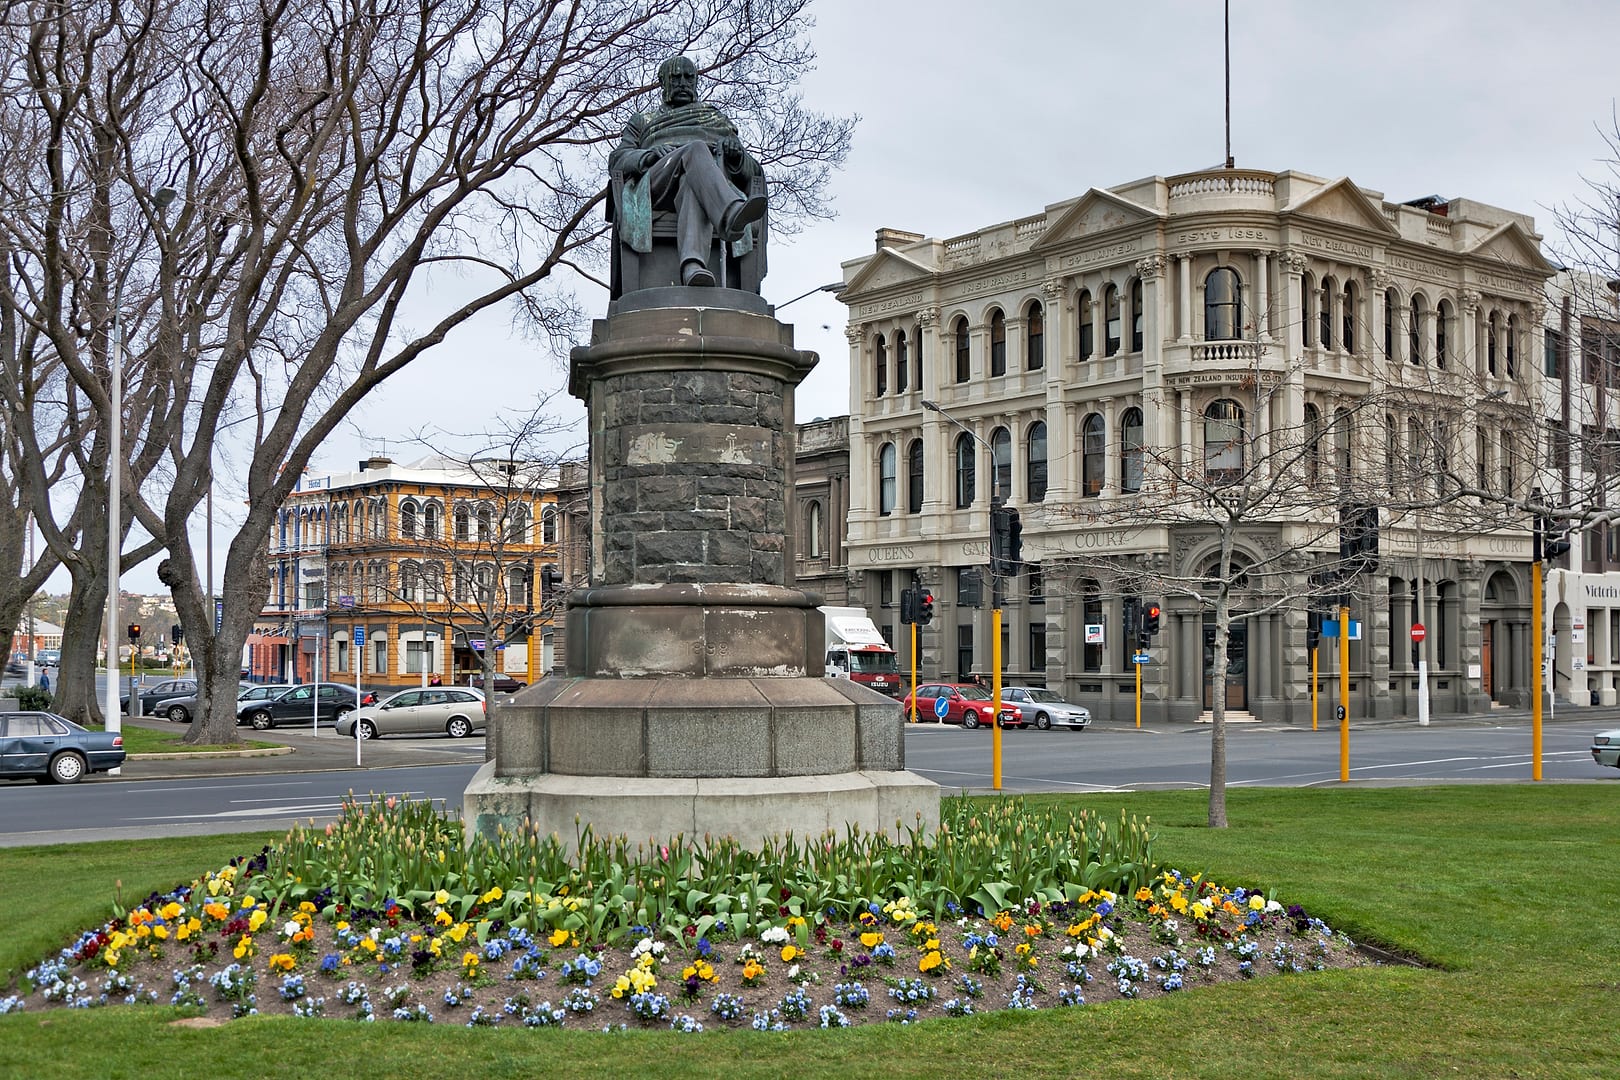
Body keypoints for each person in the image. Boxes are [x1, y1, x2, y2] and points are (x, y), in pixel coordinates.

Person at [608, 54, 767, 288]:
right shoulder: (643, 120)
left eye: (689, 77)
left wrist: (737, 157)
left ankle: (693, 266)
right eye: (676, 77)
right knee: (696, 149)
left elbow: (753, 170)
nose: (683, 82)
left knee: (691, 183)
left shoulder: (714, 119)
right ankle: (731, 212)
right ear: (663, 82)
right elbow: (617, 160)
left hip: (702, 187)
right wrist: (648, 155)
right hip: (657, 182)